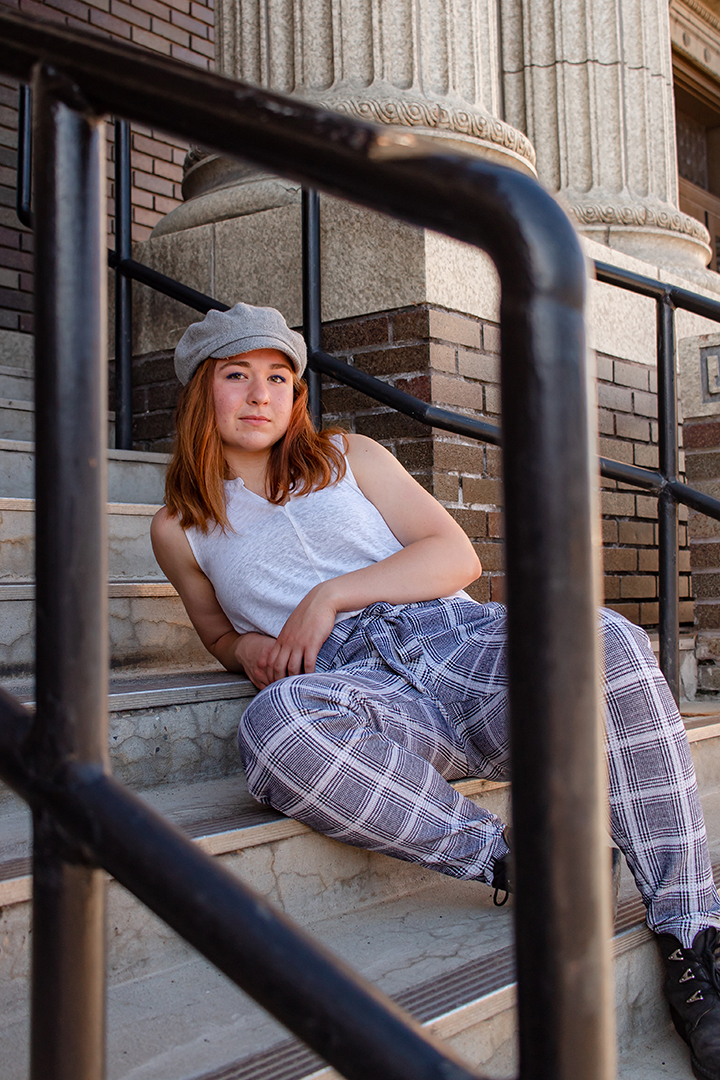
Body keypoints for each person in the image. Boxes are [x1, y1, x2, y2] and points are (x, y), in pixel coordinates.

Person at [152, 301, 720, 1080]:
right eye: (237, 376)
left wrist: (329, 595)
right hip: (365, 691)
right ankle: (513, 860)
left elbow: (456, 558)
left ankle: (693, 935)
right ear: (199, 393)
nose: (260, 395)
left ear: (297, 396)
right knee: (275, 727)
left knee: (606, 638)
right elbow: (217, 636)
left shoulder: (350, 456)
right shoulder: (179, 527)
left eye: (279, 378)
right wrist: (247, 644)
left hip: (457, 643)